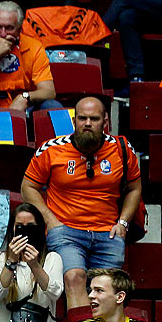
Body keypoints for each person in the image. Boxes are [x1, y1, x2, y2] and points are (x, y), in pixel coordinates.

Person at [21, 97, 142, 309]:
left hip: (109, 231)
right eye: (82, 118)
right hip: (65, 230)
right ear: (74, 120)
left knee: (106, 289)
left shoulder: (122, 148)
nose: (87, 123)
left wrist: (123, 223)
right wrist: (50, 220)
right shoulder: (51, 149)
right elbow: (27, 187)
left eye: (94, 119)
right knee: (74, 276)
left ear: (105, 121)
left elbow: (134, 188)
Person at [0, 203, 65, 322]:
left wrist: (35, 266)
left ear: (40, 230)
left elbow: (55, 293)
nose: (25, 232)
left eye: (30, 227)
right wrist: (12, 262)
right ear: (12, 230)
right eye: (20, 227)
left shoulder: (52, 258)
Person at [0, 0, 59, 109]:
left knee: (52, 105)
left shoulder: (34, 47)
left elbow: (49, 91)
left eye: (9, 28)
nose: (3, 34)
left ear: (19, 29)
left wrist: (24, 97)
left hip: (23, 107)